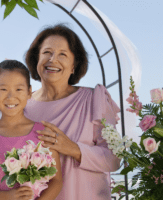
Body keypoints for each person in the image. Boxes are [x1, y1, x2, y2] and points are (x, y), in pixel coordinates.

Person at [23, 24, 121, 200]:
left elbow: (114, 158)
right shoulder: (23, 106)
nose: (53, 59)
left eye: (63, 54)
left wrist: (74, 149)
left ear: (74, 65)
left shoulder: (93, 99)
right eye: (46, 52)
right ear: (36, 59)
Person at [0, 60, 63, 200]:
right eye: (3, 89)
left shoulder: (43, 133)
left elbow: (56, 181)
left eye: (19, 89)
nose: (10, 97)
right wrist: (9, 196)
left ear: (29, 92)